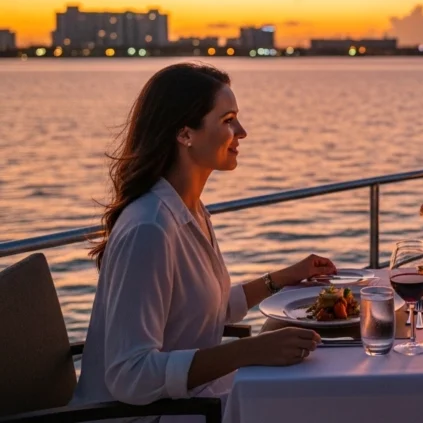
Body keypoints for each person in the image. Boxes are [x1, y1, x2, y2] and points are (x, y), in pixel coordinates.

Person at [72, 62, 338, 414]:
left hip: (196, 399)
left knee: (318, 385)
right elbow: (130, 375)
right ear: (185, 134)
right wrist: (250, 351)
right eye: (228, 120)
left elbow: (202, 312)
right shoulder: (149, 229)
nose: (241, 131)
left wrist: (283, 278)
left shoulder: (189, 210)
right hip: (150, 415)